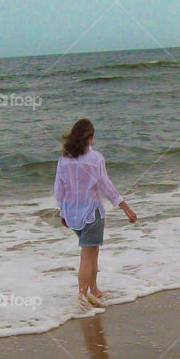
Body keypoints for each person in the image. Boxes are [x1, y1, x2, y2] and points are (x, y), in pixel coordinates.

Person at [54, 118, 136, 308]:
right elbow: (106, 187)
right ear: (90, 137)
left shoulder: (64, 159)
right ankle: (82, 295)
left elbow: (59, 188)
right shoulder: (95, 158)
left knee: (92, 251)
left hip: (72, 215)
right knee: (88, 255)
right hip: (92, 213)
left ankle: (94, 289)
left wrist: (62, 212)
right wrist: (127, 209)